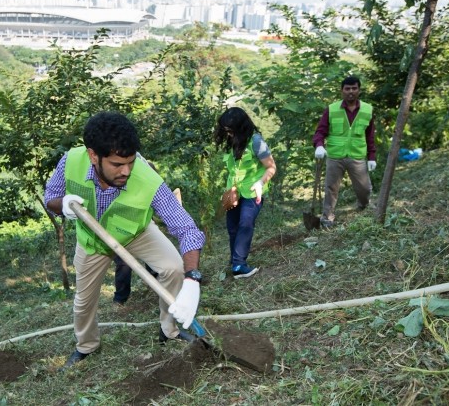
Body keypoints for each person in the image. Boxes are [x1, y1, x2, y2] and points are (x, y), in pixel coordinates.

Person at [44, 111, 205, 369]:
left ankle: (170, 329)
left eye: (130, 162)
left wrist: (192, 278)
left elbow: (187, 229)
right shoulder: (71, 161)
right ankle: (87, 346)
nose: (126, 171)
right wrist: (62, 204)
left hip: (136, 233)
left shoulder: (147, 179)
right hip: (92, 240)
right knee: (84, 302)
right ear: (93, 156)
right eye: (117, 165)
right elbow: (50, 196)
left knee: (173, 267)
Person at [214, 107, 277, 279]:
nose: (228, 134)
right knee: (232, 228)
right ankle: (235, 260)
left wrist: (260, 182)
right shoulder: (230, 143)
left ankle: (240, 265)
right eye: (226, 130)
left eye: (231, 130)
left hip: (252, 191)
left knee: (245, 224)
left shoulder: (256, 142)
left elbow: (271, 167)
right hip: (234, 193)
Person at [312, 76, 376, 228]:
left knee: (365, 188)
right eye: (347, 88)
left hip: (357, 155)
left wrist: (372, 156)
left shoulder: (368, 110)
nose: (351, 91)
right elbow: (320, 131)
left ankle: (364, 205)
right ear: (342, 91)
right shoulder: (332, 109)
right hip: (335, 156)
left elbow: (370, 136)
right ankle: (327, 217)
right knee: (331, 188)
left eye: (354, 88)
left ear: (359, 90)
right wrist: (319, 145)